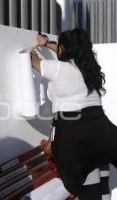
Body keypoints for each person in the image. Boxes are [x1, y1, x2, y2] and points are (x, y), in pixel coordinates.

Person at [30, 28, 117, 200]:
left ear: (65, 48)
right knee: (102, 178)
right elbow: (64, 50)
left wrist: (35, 48)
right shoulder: (88, 67)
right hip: (101, 131)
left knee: (87, 186)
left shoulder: (59, 68)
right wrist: (48, 44)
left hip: (75, 134)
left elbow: (34, 61)